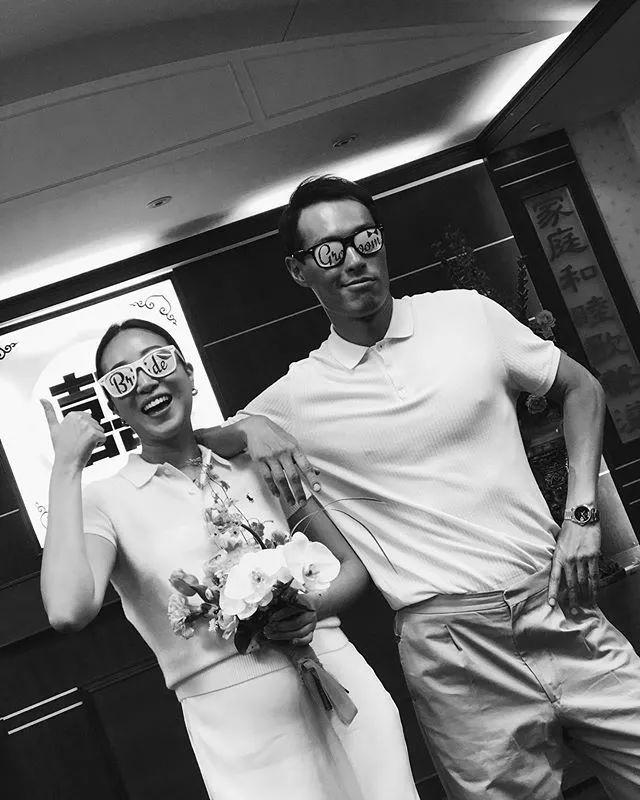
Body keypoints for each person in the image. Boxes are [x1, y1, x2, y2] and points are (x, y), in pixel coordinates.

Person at [198, 175, 640, 800]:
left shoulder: (467, 314)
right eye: (328, 251)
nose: (354, 260)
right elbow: (190, 441)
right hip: (452, 650)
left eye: (365, 239)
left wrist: (583, 514)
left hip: (558, 600)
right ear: (300, 271)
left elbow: (581, 388)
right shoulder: (293, 398)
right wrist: (252, 426)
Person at [39, 318, 419, 800]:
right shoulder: (106, 501)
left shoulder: (256, 457)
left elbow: (351, 567)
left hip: (345, 684)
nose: (146, 381)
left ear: (188, 372)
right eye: (123, 378)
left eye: (158, 361)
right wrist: (66, 467)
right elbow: (67, 611)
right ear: (114, 406)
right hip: (240, 735)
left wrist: (310, 608)